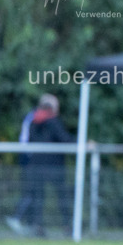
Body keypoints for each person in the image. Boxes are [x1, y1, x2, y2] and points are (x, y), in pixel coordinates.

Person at [26, 94, 74, 237]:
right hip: (54, 166)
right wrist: (82, 142)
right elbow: (64, 139)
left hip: (36, 165)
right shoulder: (53, 121)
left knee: (38, 197)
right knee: (62, 196)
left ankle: (37, 225)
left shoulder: (33, 122)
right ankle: (67, 226)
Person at [6, 104, 37, 235]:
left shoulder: (30, 118)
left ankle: (28, 222)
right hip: (28, 159)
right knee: (29, 191)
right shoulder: (34, 118)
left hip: (27, 158)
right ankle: (16, 218)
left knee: (32, 192)